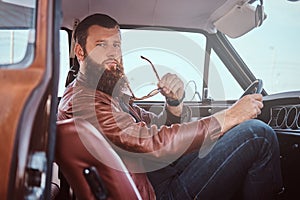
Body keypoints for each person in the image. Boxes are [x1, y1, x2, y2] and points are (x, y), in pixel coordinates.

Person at [57, 13, 283, 200]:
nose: (113, 53)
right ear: (80, 52)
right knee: (257, 135)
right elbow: (150, 142)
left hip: (151, 174)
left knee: (233, 135)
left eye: (116, 45)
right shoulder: (84, 103)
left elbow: (149, 127)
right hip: (153, 193)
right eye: (101, 45)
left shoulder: (104, 94)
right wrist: (229, 116)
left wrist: (173, 105)